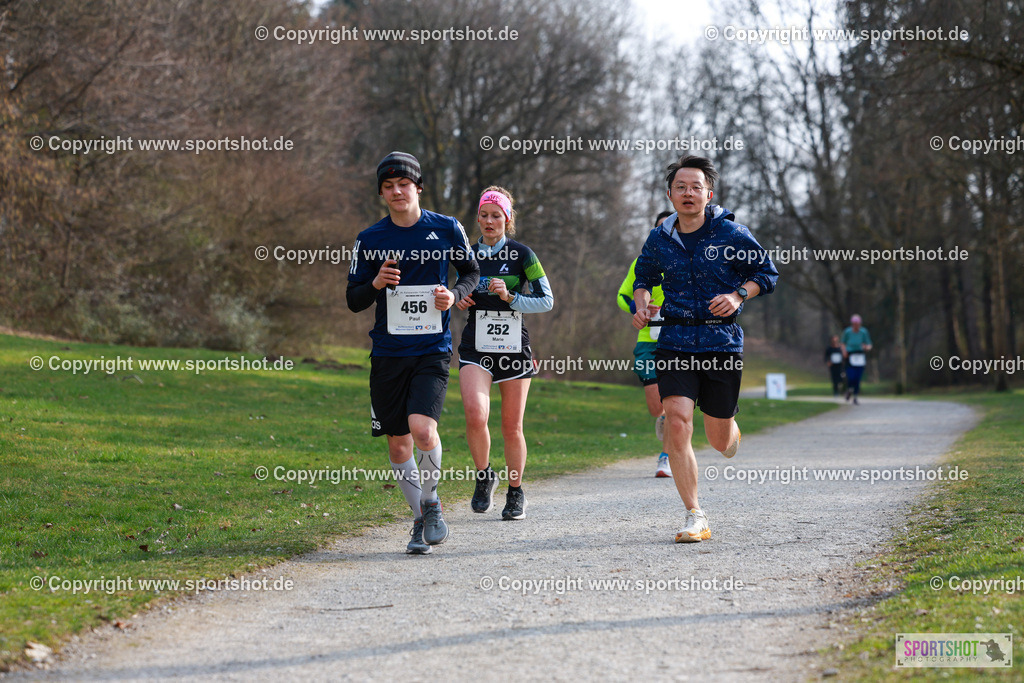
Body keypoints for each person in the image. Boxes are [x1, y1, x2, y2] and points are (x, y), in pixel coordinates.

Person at [632, 155, 778, 544]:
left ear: (708, 194)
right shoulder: (659, 238)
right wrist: (642, 303)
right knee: (677, 421)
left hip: (721, 344)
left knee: (719, 440)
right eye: (681, 187)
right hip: (676, 341)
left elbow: (766, 273)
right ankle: (695, 514)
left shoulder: (731, 233)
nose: (688, 193)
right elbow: (643, 277)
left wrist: (737, 295)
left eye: (696, 187)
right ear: (669, 194)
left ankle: (729, 427)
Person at [346, 151, 480, 555]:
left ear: (418, 188)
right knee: (398, 444)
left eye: (404, 185)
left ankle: (433, 500)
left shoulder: (446, 228)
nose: (396, 192)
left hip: (431, 350)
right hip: (388, 353)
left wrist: (453, 294)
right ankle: (419, 520)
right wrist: (375, 284)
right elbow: (353, 299)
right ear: (382, 193)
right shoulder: (370, 239)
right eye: (388, 187)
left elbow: (471, 273)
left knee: (423, 430)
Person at [456, 186, 553, 520]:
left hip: (514, 347)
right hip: (475, 346)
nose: (488, 221)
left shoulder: (523, 254)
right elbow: (451, 292)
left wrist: (512, 298)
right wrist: (460, 298)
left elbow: (546, 300)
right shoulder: (466, 253)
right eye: (483, 215)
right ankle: (484, 475)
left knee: (512, 427)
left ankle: (516, 492)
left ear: (507, 219)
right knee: (474, 413)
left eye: (496, 215)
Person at [618, 210, 673, 477]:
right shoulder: (642, 262)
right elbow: (622, 295)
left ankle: (666, 456)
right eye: (661, 228)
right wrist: (638, 308)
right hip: (648, 341)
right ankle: (665, 419)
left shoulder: (687, 260)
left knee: (677, 403)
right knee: (657, 406)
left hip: (678, 340)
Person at [841, 314, 872, 405]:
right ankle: (849, 389)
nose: (856, 326)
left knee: (858, 377)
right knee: (851, 376)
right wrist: (844, 352)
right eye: (854, 324)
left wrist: (866, 347)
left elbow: (869, 344)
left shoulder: (864, 332)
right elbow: (842, 343)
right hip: (850, 355)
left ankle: (855, 396)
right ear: (852, 324)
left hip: (860, 355)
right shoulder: (847, 332)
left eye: (857, 324)